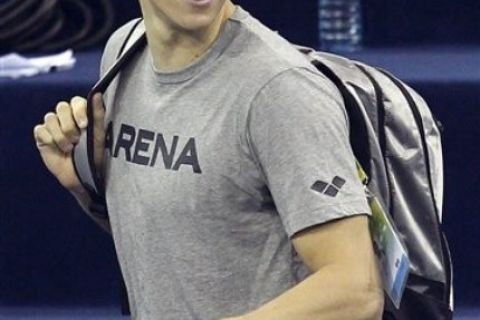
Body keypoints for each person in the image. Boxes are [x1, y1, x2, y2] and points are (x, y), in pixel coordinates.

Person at [33, 0, 384, 319]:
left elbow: (355, 290)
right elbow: (185, 239)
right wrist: (85, 189)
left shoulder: (281, 90)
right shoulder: (123, 52)